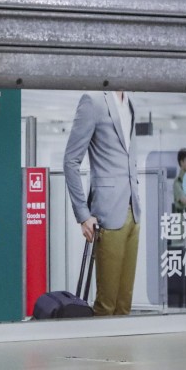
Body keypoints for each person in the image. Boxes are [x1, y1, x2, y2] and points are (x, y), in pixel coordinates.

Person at [63, 91, 141, 316]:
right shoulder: (93, 101)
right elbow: (70, 161)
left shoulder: (131, 103)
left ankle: (122, 353)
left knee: (124, 304)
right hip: (107, 211)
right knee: (106, 305)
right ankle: (99, 352)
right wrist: (83, 215)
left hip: (133, 210)